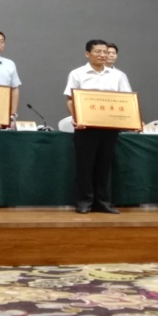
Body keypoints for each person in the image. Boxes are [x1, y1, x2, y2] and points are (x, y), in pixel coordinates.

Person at [64, 39, 132, 214]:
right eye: (98, 52)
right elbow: (70, 100)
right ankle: (84, 202)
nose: (103, 55)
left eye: (105, 52)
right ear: (87, 54)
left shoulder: (118, 76)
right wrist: (77, 118)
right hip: (85, 127)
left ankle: (103, 202)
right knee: (84, 165)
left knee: (104, 165)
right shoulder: (77, 74)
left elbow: (127, 100)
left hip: (110, 127)